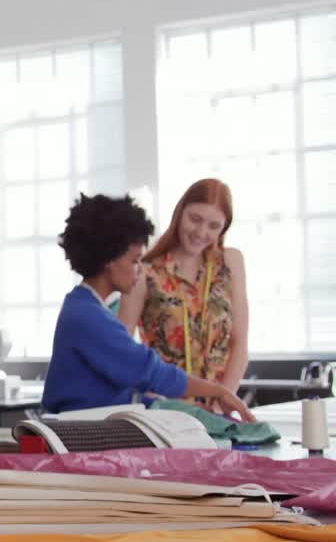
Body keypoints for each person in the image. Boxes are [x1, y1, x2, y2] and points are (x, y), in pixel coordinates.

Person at [41, 193, 253, 421]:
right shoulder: (86, 316)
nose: (140, 270)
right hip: (81, 437)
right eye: (135, 261)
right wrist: (217, 391)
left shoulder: (86, 307)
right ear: (110, 260)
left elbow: (122, 394)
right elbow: (149, 372)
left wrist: (190, 409)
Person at [118, 179, 248, 413]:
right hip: (163, 410)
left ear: (224, 228)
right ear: (179, 213)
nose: (201, 232)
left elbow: (239, 342)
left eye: (213, 226)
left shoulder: (231, 263)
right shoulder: (145, 272)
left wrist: (221, 404)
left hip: (218, 412)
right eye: (195, 219)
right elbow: (120, 350)